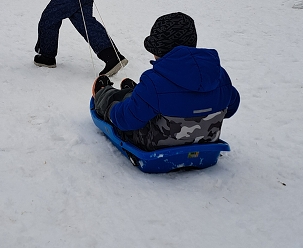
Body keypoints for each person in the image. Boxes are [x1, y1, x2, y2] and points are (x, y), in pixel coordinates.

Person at [92, 12, 239, 150]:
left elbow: (126, 120)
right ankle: (136, 95)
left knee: (122, 102)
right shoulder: (219, 76)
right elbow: (231, 107)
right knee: (154, 98)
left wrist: (111, 111)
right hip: (206, 139)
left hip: (156, 143)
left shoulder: (154, 82)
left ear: (159, 50)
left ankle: (105, 94)